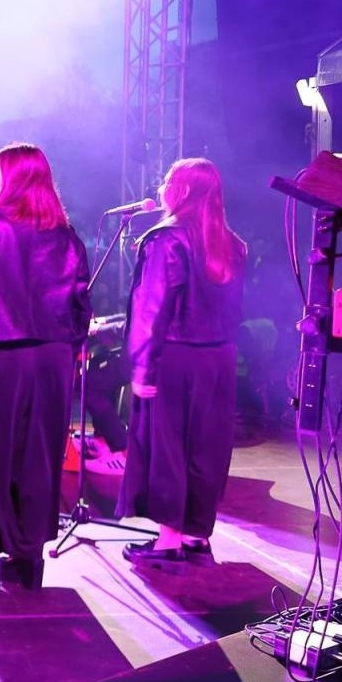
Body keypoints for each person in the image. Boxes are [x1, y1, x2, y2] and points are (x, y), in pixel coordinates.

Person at [0, 143, 91, 595]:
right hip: (52, 359)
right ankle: (28, 558)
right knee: (38, 456)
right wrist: (73, 348)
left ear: (13, 179)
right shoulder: (66, 236)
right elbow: (81, 301)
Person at [118, 158, 246, 568]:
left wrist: (140, 367)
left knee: (167, 446)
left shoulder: (167, 239)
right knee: (207, 447)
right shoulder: (232, 244)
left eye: (168, 180)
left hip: (173, 357)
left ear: (182, 190)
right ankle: (196, 537)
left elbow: (151, 309)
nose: (161, 187)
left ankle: (167, 541)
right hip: (219, 358)